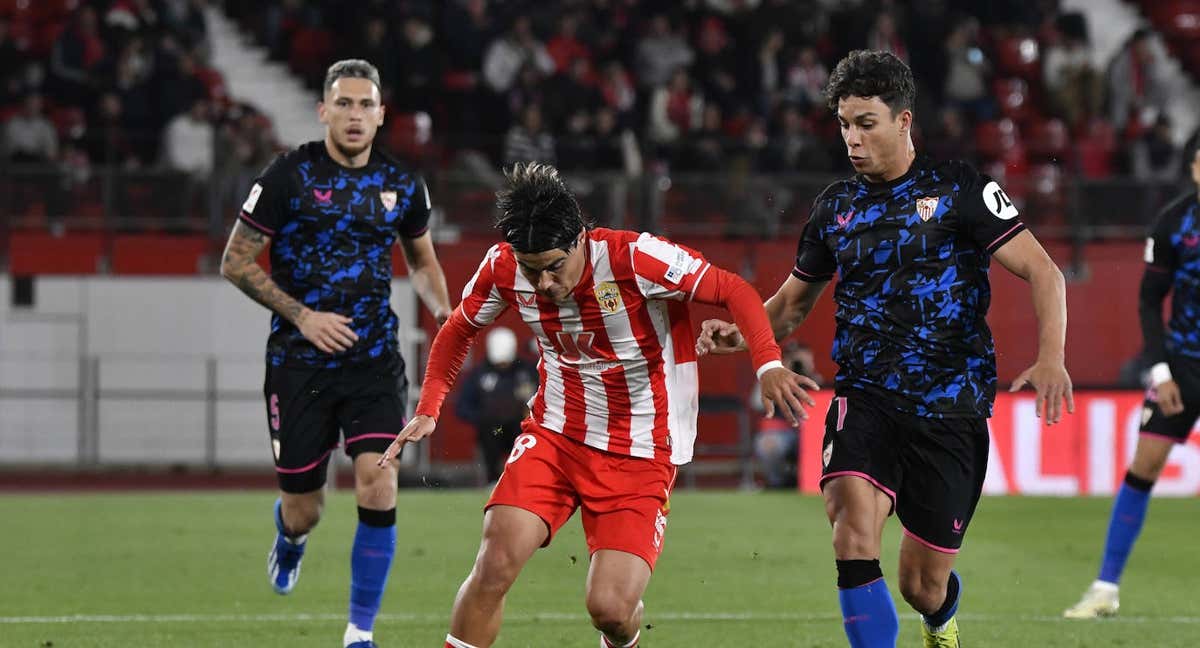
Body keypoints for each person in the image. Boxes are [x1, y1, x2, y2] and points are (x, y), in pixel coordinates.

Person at [696, 50, 1074, 647]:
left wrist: (1051, 355)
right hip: (866, 396)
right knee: (850, 527)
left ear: (904, 121)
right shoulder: (834, 210)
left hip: (951, 407)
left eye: (866, 123)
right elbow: (794, 302)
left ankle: (940, 619)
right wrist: (745, 334)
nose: (852, 138)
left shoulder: (961, 190)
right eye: (844, 124)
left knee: (921, 585)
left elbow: (1045, 272)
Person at [378, 162, 818, 648]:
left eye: (552, 267)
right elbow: (459, 328)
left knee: (609, 609)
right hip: (555, 434)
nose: (543, 283)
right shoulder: (504, 266)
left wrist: (767, 363)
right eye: (531, 269)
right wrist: (429, 406)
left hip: (640, 450)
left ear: (580, 239)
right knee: (495, 559)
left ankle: (624, 632)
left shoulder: (634, 257)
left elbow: (732, 289)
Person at [219, 59, 451, 648]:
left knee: (380, 479)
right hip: (299, 364)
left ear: (381, 115)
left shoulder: (403, 183)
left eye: (364, 105)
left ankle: (359, 632)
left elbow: (422, 262)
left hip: (373, 361)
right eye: (342, 104)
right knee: (306, 508)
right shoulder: (287, 177)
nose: (354, 116)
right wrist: (303, 316)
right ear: (323, 110)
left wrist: (446, 314)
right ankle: (289, 537)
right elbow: (236, 261)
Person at [1063, 146, 1200, 619]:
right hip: (1183, 366)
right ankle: (1104, 588)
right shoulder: (1174, 224)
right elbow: (1149, 300)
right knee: (1144, 465)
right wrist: (1159, 371)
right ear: (1194, 168)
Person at [454, 326, 539, 483]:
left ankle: (527, 480)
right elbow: (462, 407)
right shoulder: (479, 375)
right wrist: (483, 417)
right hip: (495, 431)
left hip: (520, 429)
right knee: (491, 431)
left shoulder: (527, 372)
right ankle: (492, 479)